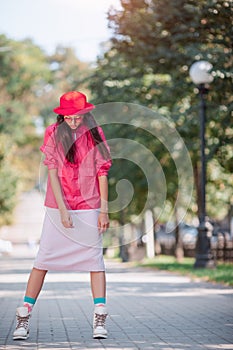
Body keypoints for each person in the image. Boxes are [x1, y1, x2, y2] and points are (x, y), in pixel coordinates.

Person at [13, 91, 112, 340]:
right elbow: (53, 173)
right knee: (43, 258)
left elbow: (102, 172)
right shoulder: (53, 133)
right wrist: (63, 210)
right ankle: (23, 317)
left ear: (85, 113)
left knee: (94, 260)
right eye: (69, 118)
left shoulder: (95, 134)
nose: (74, 122)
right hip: (59, 206)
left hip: (89, 205)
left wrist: (104, 210)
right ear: (62, 116)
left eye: (78, 117)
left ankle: (100, 316)